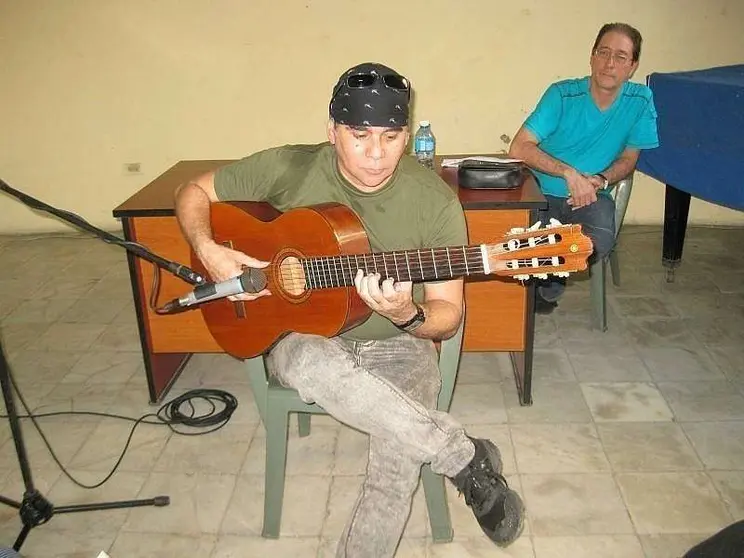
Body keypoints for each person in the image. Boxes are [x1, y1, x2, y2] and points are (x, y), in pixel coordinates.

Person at [173, 62, 525, 557]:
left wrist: (408, 314)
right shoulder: (291, 167)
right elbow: (192, 191)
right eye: (359, 135)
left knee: (395, 465)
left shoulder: (436, 204)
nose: (376, 154)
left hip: (401, 344)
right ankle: (463, 457)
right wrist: (209, 249)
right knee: (307, 362)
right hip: (308, 338)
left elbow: (448, 313)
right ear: (332, 131)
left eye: (391, 136)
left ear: (407, 135)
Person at [509, 22, 660, 313]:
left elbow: (630, 159)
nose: (609, 63)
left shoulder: (641, 101)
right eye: (603, 52)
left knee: (598, 240)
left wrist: (601, 180)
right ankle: (546, 282)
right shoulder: (562, 95)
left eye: (620, 56)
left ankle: (547, 283)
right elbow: (519, 147)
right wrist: (569, 173)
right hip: (541, 190)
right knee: (516, 236)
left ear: (633, 66)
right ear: (591, 57)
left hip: (593, 194)